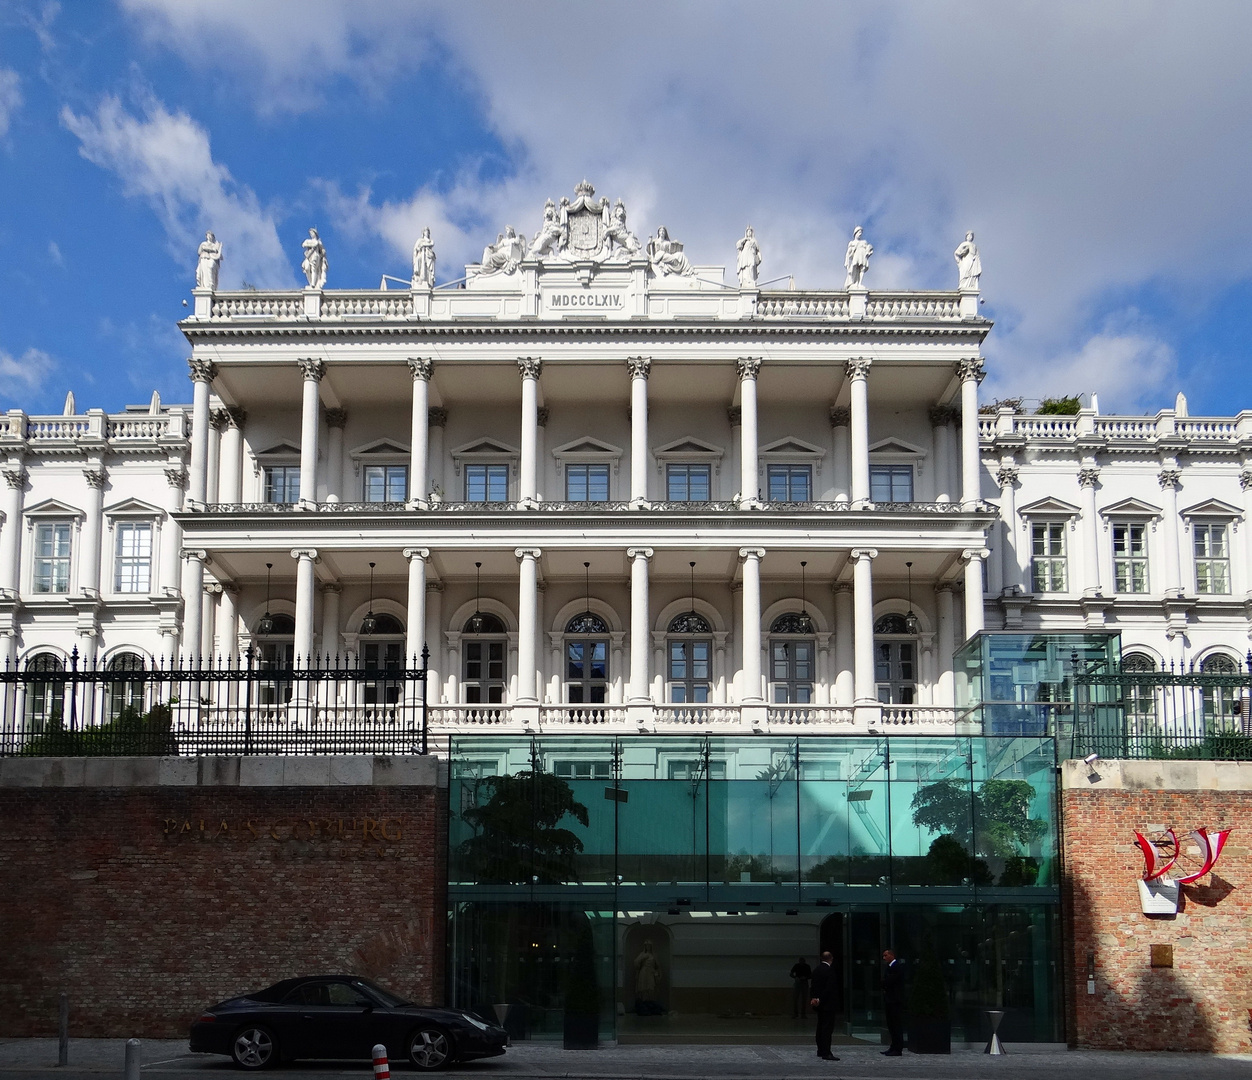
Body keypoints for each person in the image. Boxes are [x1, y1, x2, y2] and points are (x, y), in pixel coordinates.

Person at [808, 950, 840, 1060]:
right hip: (828, 1004)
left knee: (820, 1027)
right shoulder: (830, 971)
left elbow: (813, 986)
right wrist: (821, 999)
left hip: (819, 1005)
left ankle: (820, 1049)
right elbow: (829, 988)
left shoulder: (817, 970)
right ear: (831, 959)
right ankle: (826, 1052)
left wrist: (814, 998)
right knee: (827, 1029)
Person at [881, 949, 905, 1055]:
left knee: (896, 1025)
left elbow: (890, 981)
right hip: (890, 999)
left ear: (891, 955)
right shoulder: (889, 967)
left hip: (895, 1000)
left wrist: (884, 983)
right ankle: (893, 1046)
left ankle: (897, 1048)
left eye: (886, 955)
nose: (884, 958)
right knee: (891, 1025)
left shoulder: (897, 967)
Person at [634, 938, 664, 1015]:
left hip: (651, 973)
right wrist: (643, 957)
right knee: (643, 988)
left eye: (649, 946)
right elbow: (636, 963)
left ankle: (650, 1003)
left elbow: (658, 966)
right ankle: (643, 1003)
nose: (648, 947)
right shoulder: (642, 954)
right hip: (643, 973)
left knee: (651, 988)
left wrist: (658, 974)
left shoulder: (654, 955)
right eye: (646, 945)